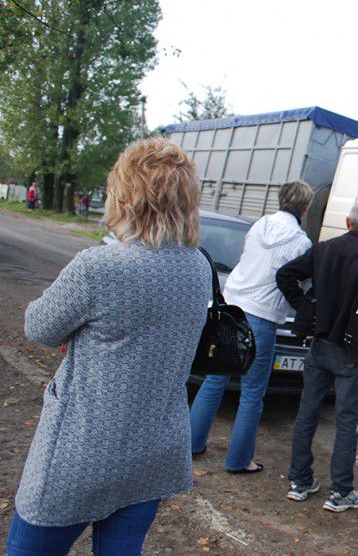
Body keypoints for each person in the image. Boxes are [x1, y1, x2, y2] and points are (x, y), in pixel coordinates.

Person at [6, 138, 210, 555]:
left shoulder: (99, 267)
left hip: (81, 453)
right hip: (154, 452)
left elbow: (39, 326)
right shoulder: (198, 266)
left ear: (126, 195)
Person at [276, 201, 358, 513]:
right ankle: (341, 491)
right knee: (346, 421)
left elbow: (286, 274)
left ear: (347, 221)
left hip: (320, 342)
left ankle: (300, 481)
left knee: (307, 413)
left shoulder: (323, 249)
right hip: (350, 348)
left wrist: (305, 306)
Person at [189, 180, 314, 473]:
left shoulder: (259, 226)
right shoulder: (300, 242)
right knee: (253, 392)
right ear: (305, 208)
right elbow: (302, 283)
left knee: (215, 378)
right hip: (262, 315)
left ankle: (192, 443)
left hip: (232, 305)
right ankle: (238, 460)